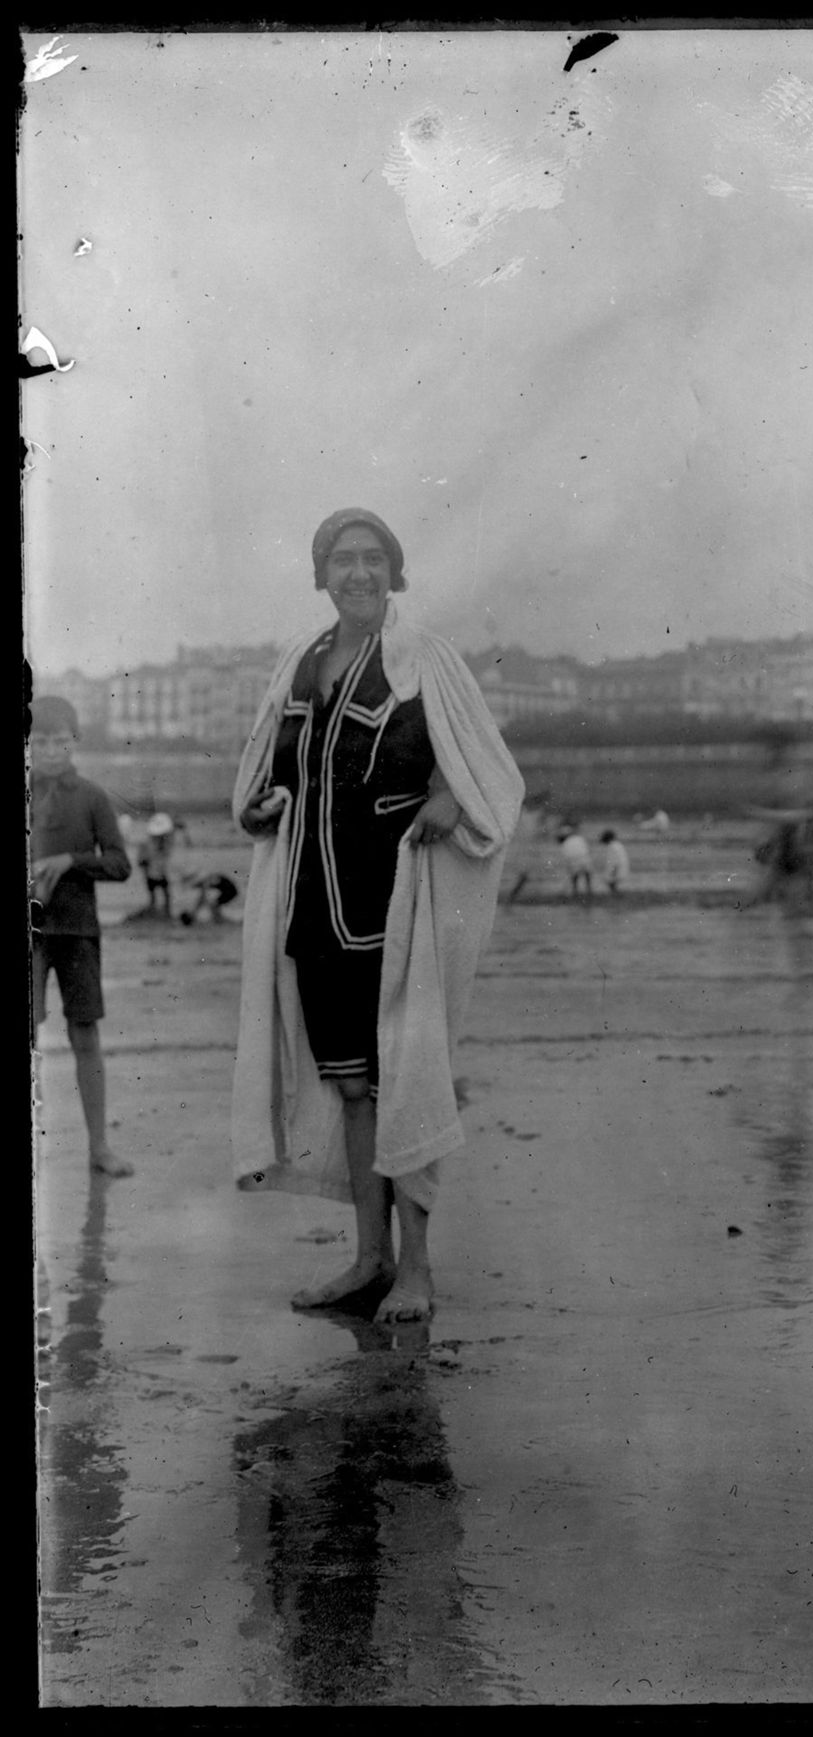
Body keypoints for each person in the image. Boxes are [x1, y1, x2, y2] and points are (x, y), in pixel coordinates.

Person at [232, 508, 524, 1324]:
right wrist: (259, 808)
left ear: (393, 572)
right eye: (341, 559)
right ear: (320, 573)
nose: (357, 572)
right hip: (315, 913)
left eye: (372, 559)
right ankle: (370, 1258)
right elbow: (266, 773)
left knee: (408, 1081)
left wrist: (442, 795)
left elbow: (491, 774)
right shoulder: (300, 662)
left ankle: (418, 1270)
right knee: (355, 1087)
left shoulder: (425, 660)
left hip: (395, 910)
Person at [29, 694, 133, 1177]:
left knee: (84, 1033)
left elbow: (119, 863)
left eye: (60, 740)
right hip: (33, 934)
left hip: (78, 932)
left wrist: (71, 861)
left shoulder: (92, 797)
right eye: (41, 740)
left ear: (76, 741)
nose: (51, 750)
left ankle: (98, 1148)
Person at [136, 812, 176, 917]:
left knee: (164, 895)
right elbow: (142, 862)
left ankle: (165, 914)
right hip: (153, 874)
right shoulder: (148, 845)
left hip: (158, 873)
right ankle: (162, 914)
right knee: (160, 895)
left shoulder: (157, 844)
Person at [558, 821, 593, 900]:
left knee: (574, 878)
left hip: (575, 861)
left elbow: (567, 859)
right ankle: (589, 891)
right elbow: (587, 850)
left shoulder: (565, 844)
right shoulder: (579, 838)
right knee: (587, 876)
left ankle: (575, 892)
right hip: (585, 859)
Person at [599, 828, 630, 897]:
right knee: (612, 883)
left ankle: (615, 895)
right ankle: (616, 895)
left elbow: (614, 860)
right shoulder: (617, 845)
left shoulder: (612, 846)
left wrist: (613, 871)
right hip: (620, 867)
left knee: (610, 881)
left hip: (617, 868)